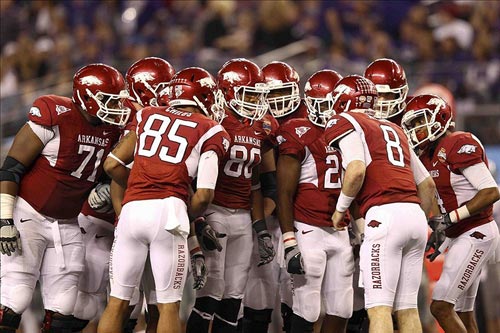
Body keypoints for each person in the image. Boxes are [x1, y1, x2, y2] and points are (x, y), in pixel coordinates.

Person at [97, 67, 230, 333]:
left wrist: (139, 184)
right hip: (169, 212)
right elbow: (204, 195)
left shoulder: (146, 114)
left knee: (117, 302)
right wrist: (182, 208)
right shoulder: (212, 129)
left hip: (132, 210)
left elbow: (111, 165)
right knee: (168, 305)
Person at [0, 63, 130, 332]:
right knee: (17, 295)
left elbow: (104, 172)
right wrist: (4, 219)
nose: (114, 107)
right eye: (107, 100)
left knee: (64, 307)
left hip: (69, 222)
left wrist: (105, 187)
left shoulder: (112, 131)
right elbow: (11, 168)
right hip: (29, 215)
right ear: (85, 96)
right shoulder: (56, 113)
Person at [324, 75, 436, 333]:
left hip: (384, 215)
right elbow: (427, 185)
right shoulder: (394, 128)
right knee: (407, 309)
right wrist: (418, 217)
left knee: (379, 309)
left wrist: (340, 209)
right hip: (415, 217)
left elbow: (356, 170)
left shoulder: (346, 120)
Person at [186, 58, 276, 333]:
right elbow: (189, 177)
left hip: (243, 217)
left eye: (258, 95)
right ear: (227, 92)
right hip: (214, 210)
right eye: (248, 94)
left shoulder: (263, 127)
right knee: (211, 293)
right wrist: (196, 226)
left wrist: (261, 229)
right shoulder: (213, 122)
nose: (254, 101)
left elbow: (259, 185)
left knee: (233, 297)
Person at [401, 94, 500, 333]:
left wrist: (450, 219)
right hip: (460, 235)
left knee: (441, 307)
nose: (415, 130)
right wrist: (442, 230)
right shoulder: (425, 155)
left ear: (439, 118)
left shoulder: (457, 143)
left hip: (476, 233)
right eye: (411, 125)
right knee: (464, 313)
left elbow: (490, 191)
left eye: (419, 122)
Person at [277, 68, 354, 333]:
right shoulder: (298, 131)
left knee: (342, 309)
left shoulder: (348, 133)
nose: (327, 111)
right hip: (307, 228)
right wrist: (289, 241)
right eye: (322, 104)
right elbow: (284, 192)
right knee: (307, 309)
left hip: (340, 228)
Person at [239, 60, 303, 333]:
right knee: (257, 297)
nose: (277, 101)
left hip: (298, 220)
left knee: (300, 301)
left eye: (282, 92)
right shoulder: (254, 123)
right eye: (271, 94)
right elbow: (258, 180)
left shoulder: (307, 123)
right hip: (260, 213)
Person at [364, 58, 409, 125]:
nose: (382, 100)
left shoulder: (410, 112)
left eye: (388, 94)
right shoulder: (357, 115)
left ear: (400, 94)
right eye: (378, 94)